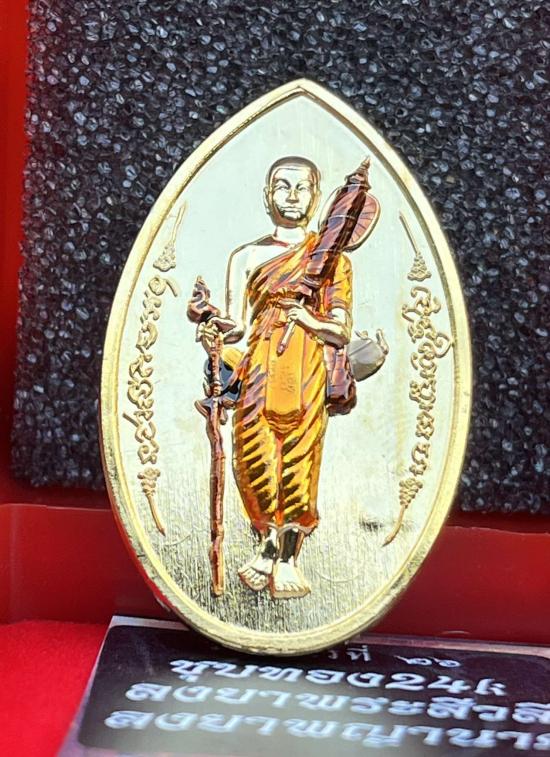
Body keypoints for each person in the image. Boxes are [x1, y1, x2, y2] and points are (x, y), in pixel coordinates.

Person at [198, 156, 353, 599]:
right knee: (254, 458)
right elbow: (236, 326)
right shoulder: (246, 257)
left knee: (299, 463)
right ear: (267, 196)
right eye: (282, 186)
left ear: (316, 197)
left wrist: (309, 319)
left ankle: (287, 559)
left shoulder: (332, 262)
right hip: (259, 369)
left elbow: (341, 329)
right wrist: (212, 330)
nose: (291, 196)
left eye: (302, 188)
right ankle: (265, 545)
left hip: (306, 373)